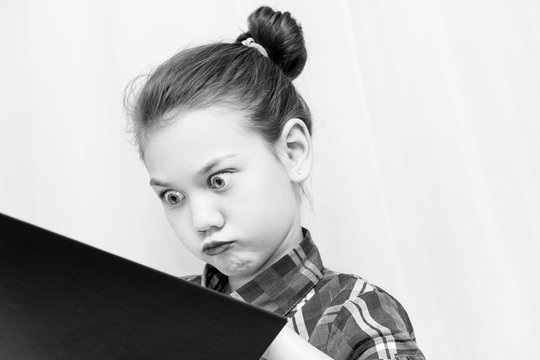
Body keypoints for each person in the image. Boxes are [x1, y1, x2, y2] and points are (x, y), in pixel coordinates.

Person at [125, 5, 425, 360]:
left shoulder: (356, 313)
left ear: (293, 152)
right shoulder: (161, 311)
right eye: (173, 197)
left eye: (218, 180)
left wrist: (257, 334)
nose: (201, 221)